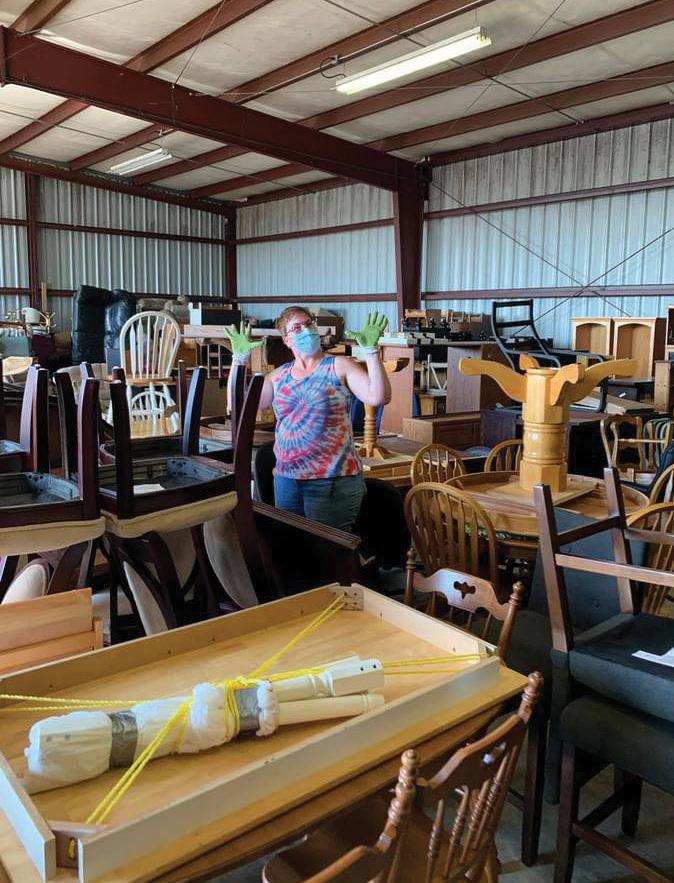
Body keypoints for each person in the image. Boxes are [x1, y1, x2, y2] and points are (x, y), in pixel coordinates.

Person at [223, 307, 391, 531]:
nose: (306, 330)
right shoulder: (278, 377)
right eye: (297, 327)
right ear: (286, 340)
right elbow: (237, 407)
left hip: (332, 481)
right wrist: (238, 360)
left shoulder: (338, 366)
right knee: (292, 547)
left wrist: (371, 352)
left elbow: (378, 396)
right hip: (287, 480)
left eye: (309, 324)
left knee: (326, 549)